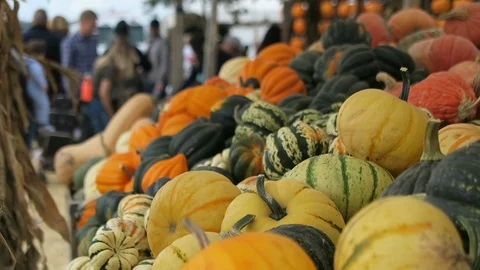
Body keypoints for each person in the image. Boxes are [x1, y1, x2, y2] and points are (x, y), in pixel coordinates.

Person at [88, 34, 144, 133]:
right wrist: (112, 117)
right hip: (101, 107)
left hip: (95, 105)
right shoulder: (110, 68)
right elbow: (104, 94)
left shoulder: (104, 62)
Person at [61, 10, 98, 140]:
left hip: (91, 89)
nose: (95, 28)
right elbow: (67, 70)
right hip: (76, 90)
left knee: (89, 122)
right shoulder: (70, 43)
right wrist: (71, 95)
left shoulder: (93, 42)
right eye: (92, 25)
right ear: (84, 23)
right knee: (78, 122)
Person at [23, 9, 63, 94]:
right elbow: (60, 64)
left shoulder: (24, 38)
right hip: (51, 85)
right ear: (46, 22)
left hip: (27, 86)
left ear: (33, 20)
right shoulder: (55, 39)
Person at [24, 40, 55, 140]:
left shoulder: (26, 62)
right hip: (36, 90)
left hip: (30, 89)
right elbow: (39, 76)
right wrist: (44, 85)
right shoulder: (35, 64)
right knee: (43, 105)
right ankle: (43, 124)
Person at [146, 19, 169, 99]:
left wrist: (161, 81)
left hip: (158, 80)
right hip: (149, 78)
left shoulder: (162, 43)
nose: (153, 31)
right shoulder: (149, 42)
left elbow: (164, 63)